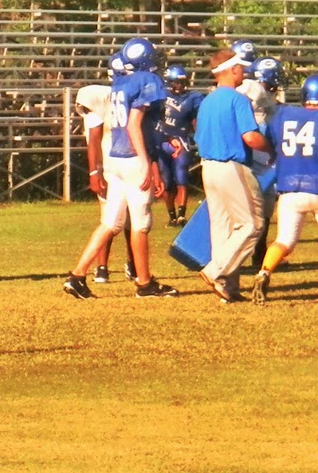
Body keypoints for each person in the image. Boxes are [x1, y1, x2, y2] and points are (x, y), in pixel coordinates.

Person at [65, 37, 177, 299]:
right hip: (132, 158)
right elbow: (134, 124)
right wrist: (147, 163)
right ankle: (144, 283)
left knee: (110, 223)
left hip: (114, 158)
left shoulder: (121, 82)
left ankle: (77, 276)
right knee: (141, 223)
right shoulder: (148, 80)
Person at [250, 73, 318, 307]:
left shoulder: (284, 114)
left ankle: (264, 271)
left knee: (285, 240)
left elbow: (270, 140)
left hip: (290, 186)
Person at [194, 48, 270, 303]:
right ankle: (216, 271)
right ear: (233, 69)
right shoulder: (238, 99)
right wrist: (272, 148)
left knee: (223, 226)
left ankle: (227, 287)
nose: (244, 72)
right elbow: (251, 137)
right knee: (253, 224)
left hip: (208, 167)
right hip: (231, 165)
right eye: (242, 68)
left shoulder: (207, 101)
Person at [77, 53, 138, 282]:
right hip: (109, 166)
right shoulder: (100, 97)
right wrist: (95, 171)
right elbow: (94, 139)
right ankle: (102, 267)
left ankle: (133, 264)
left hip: (126, 162)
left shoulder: (128, 96)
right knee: (110, 220)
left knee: (132, 218)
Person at [160, 64, 204, 226]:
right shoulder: (161, 95)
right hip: (162, 140)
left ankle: (181, 215)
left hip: (181, 140)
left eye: (182, 82)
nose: (179, 85)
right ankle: (171, 215)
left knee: (181, 177)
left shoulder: (192, 98)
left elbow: (196, 121)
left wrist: (200, 138)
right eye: (176, 82)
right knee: (166, 181)